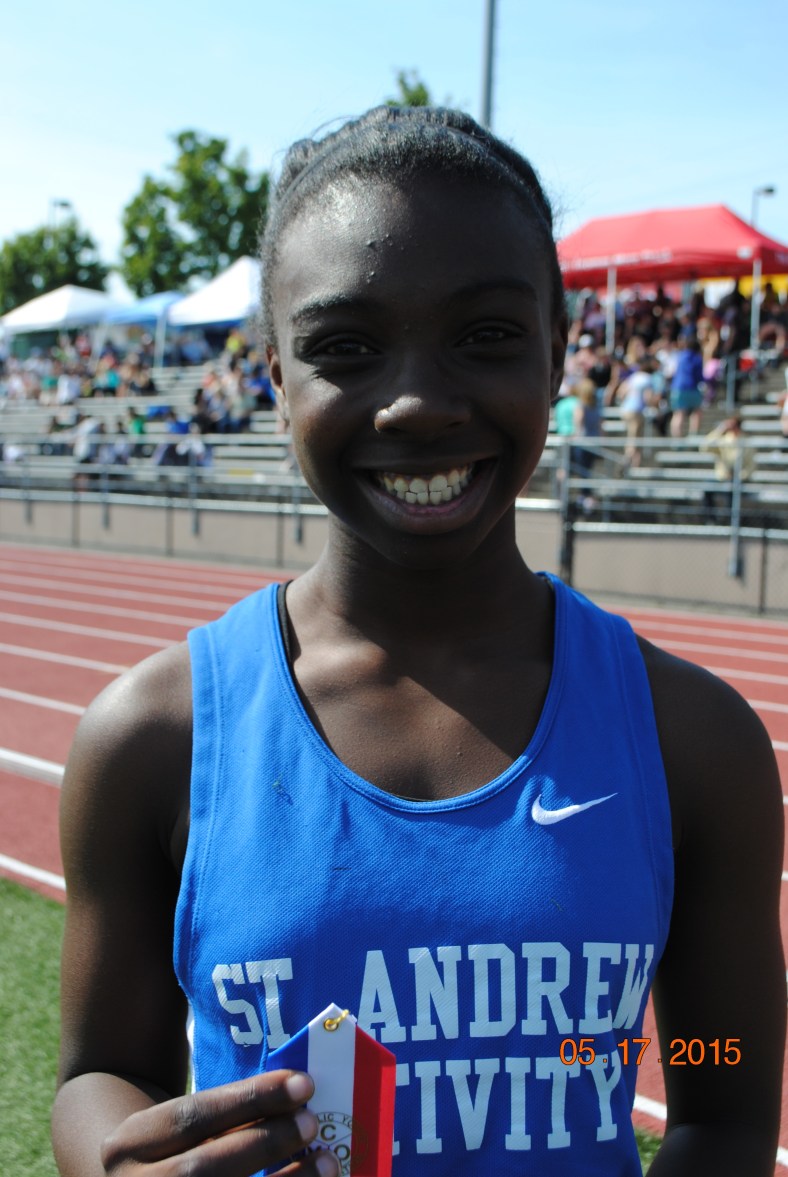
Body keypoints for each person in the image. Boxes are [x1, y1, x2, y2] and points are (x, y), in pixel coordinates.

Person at [52, 106, 784, 1177]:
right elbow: (98, 1072)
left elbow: (719, 1095)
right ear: (272, 376)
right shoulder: (153, 738)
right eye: (344, 347)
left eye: (483, 334)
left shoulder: (691, 739)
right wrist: (115, 1161)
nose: (415, 402)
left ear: (557, 347)